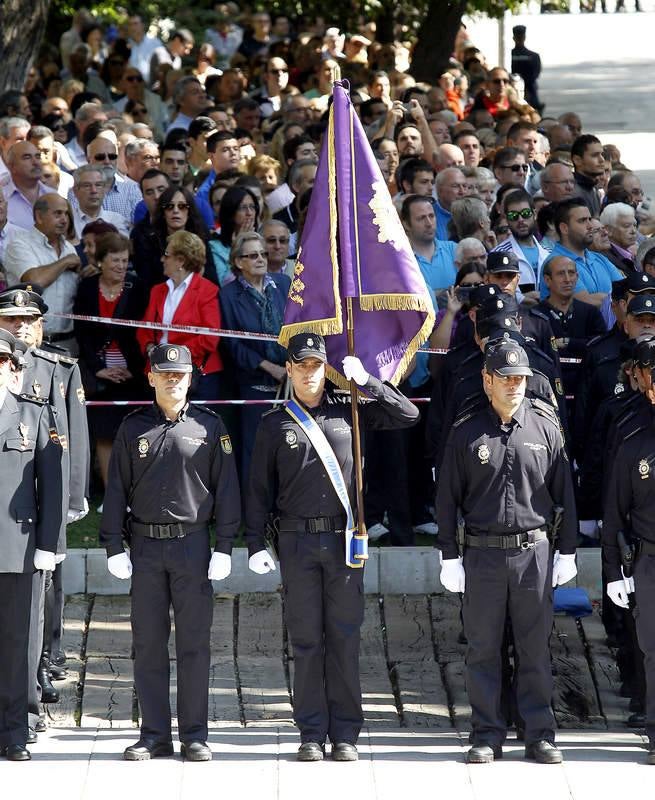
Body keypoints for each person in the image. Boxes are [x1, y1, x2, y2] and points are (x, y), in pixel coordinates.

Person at [245, 332, 419, 761]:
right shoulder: (274, 422)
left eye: (316, 365)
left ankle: (345, 734)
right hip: (297, 540)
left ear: (328, 368)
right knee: (305, 640)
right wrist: (254, 544)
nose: (309, 373)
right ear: (289, 369)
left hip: (344, 542)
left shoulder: (352, 408)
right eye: (301, 365)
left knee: (343, 638)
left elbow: (408, 414)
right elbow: (258, 491)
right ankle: (310, 732)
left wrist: (368, 384)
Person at [99, 342, 249, 762]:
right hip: (145, 547)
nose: (172, 380)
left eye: (179, 375)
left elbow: (227, 490)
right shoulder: (133, 427)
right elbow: (116, 491)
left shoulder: (209, 426)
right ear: (150, 377)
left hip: (193, 546)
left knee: (194, 645)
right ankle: (153, 734)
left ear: (190, 379)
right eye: (164, 374)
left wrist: (224, 545)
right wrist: (113, 544)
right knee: (147, 644)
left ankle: (195, 735)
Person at [437, 338, 577, 765]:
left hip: (534, 554)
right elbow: (446, 499)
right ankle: (487, 733)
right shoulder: (466, 432)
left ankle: (539, 734)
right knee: (482, 648)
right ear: (487, 380)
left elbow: (565, 496)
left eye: (521, 379)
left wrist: (567, 552)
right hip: (482, 555)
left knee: (535, 648)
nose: (515, 386)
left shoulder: (546, 429)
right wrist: (447, 555)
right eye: (507, 378)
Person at [0, 328, 63, 762]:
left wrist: (49, 544)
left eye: (2, 362)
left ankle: (13, 730)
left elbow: (52, 483)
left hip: (17, 545)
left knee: (17, 644)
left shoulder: (33, 412)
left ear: (12, 368)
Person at [73, 233, 148, 490]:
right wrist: (99, 369)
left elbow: (144, 331)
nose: (121, 266)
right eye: (115, 260)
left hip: (132, 373)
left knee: (134, 433)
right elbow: (81, 332)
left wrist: (133, 369)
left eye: (125, 260)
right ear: (101, 261)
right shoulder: (86, 288)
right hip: (100, 373)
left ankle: (135, 490)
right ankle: (111, 492)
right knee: (104, 434)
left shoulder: (137, 288)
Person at [218, 231, 290, 484]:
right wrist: (270, 367)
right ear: (239, 262)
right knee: (256, 452)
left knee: (289, 450)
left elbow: (297, 326)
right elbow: (232, 344)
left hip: (291, 382)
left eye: (263, 254)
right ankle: (256, 519)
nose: (260, 259)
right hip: (254, 384)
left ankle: (285, 514)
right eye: (253, 255)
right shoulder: (228, 295)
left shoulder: (284, 284)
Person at [137, 231, 223, 400]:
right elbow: (144, 329)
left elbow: (210, 338)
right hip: (159, 373)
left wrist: (173, 355)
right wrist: (149, 348)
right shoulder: (158, 290)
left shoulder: (207, 290)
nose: (162, 259)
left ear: (181, 261)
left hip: (196, 374)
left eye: (167, 255)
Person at [3, 194, 80, 354]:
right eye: (57, 213)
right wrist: (65, 262)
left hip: (68, 342)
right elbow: (34, 281)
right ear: (39, 216)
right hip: (30, 342)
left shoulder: (68, 248)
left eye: (66, 214)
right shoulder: (20, 244)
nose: (64, 219)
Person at [511, 26, 543, 113]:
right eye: (518, 37)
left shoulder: (533, 56)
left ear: (524, 38)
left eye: (521, 37)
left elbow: (536, 73)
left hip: (530, 87)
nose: (519, 39)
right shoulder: (510, 55)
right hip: (513, 86)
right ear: (514, 38)